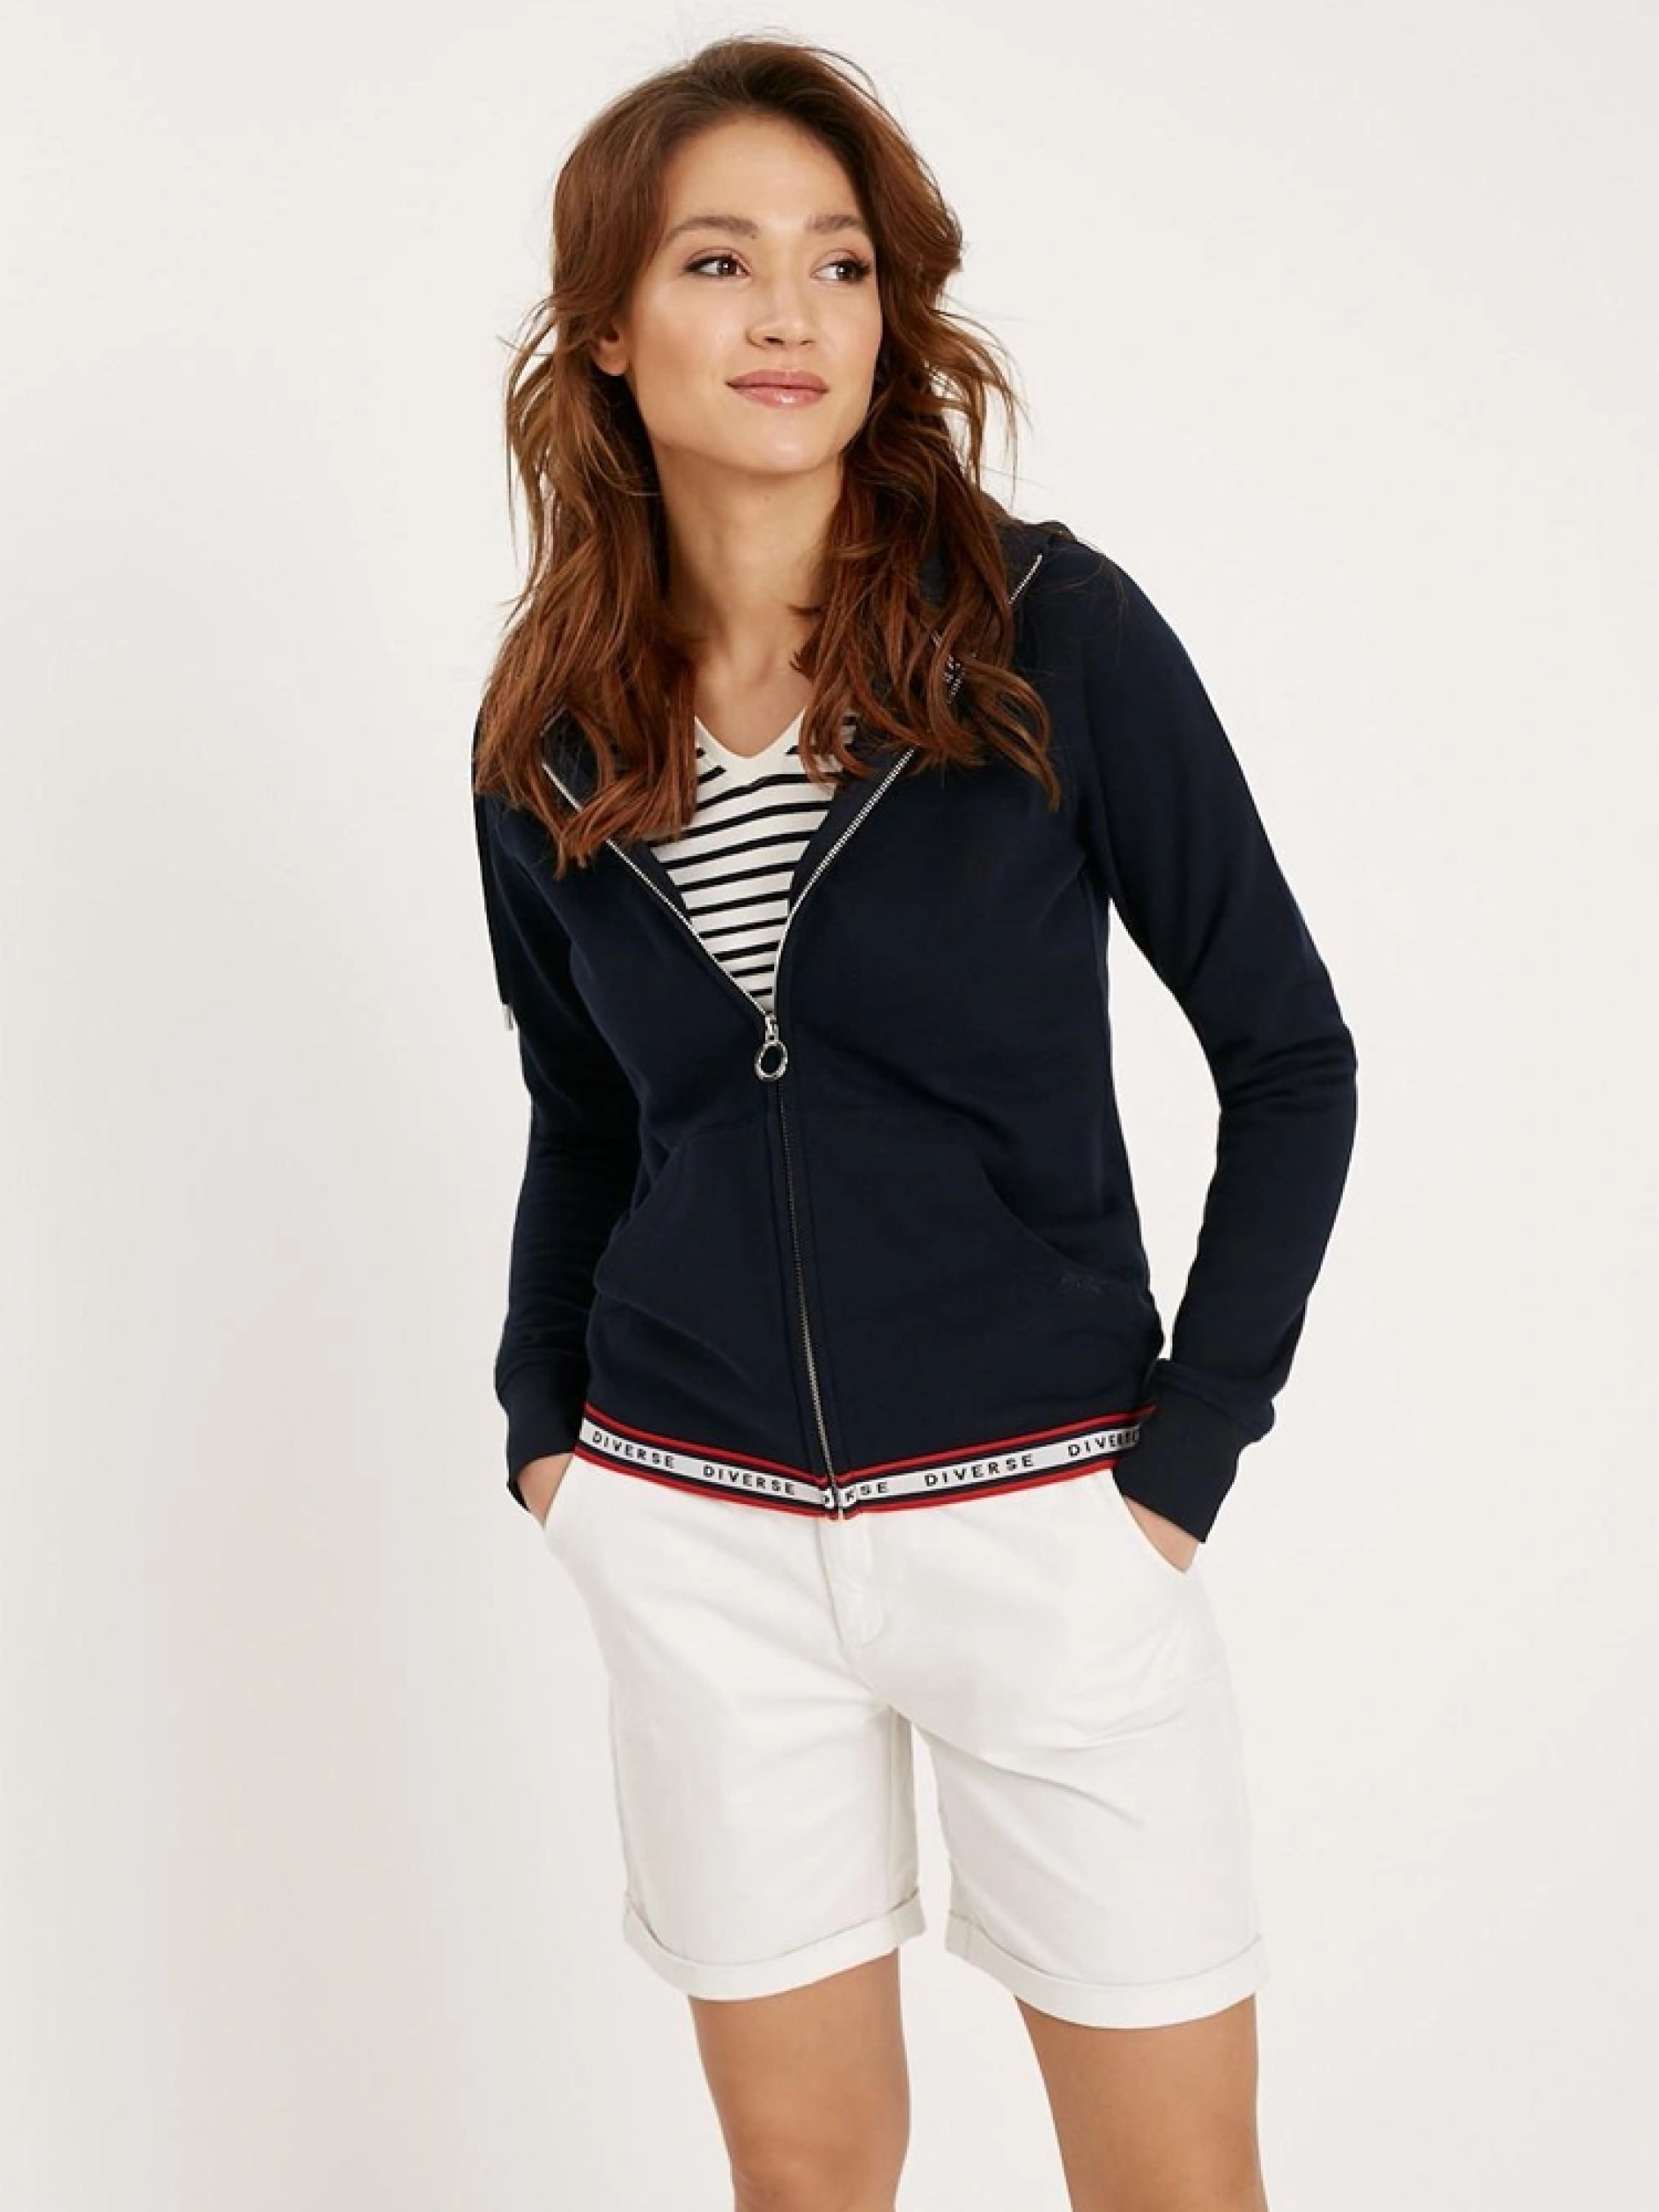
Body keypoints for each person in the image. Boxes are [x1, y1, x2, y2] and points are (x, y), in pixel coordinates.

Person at [469, 34, 1358, 2212]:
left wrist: (1179, 1463)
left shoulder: (1048, 633)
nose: (789, 313)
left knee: (1175, 2182)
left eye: (839, 262)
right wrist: (547, 1429)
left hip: (1051, 1518)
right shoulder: (551, 721)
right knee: (803, 2176)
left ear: (891, 312)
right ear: (610, 326)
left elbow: (1289, 1053)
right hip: (693, 1524)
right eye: (717, 260)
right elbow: (582, 1114)